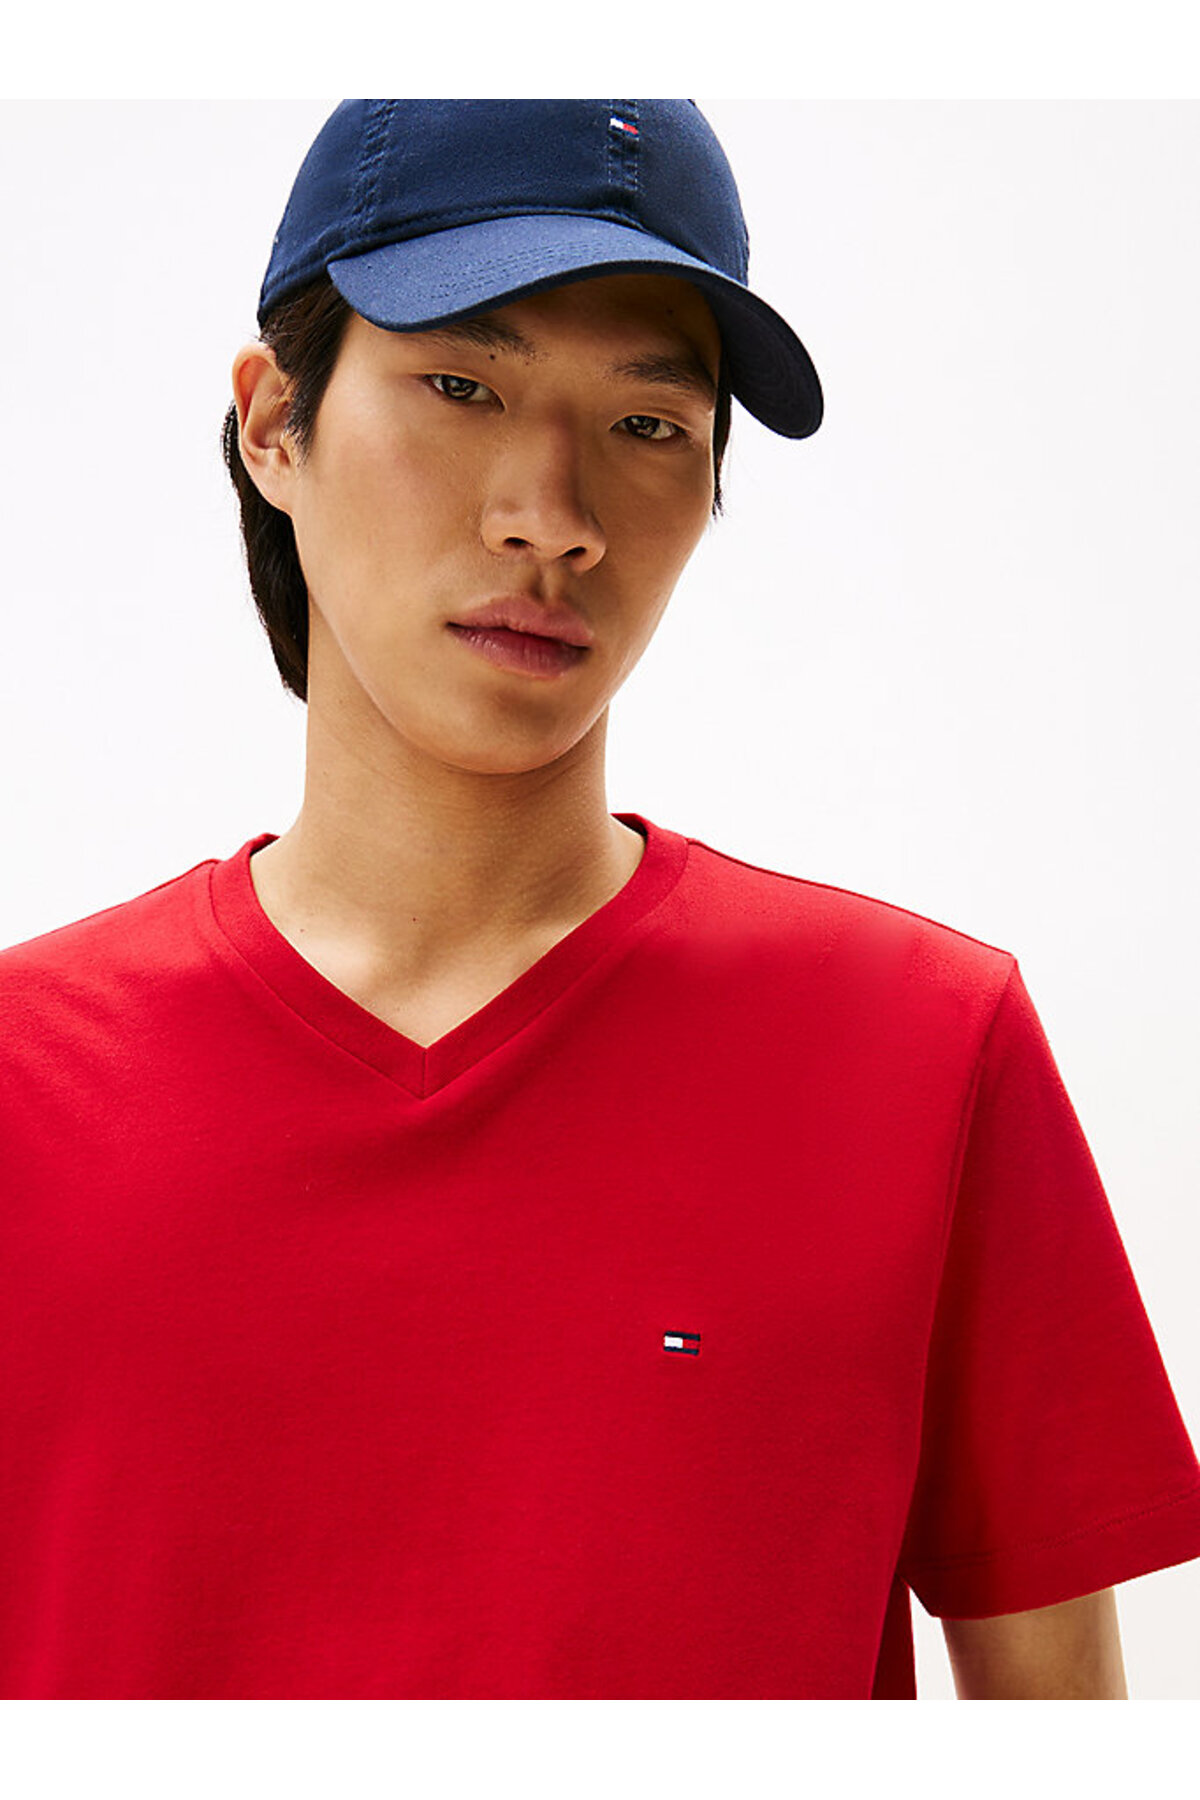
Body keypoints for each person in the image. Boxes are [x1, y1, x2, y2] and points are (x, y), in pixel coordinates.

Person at [1, 98, 1198, 1702]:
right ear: (274, 423)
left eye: (647, 425)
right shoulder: (23, 1080)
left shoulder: (922, 1051)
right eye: (461, 387)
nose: (550, 516)